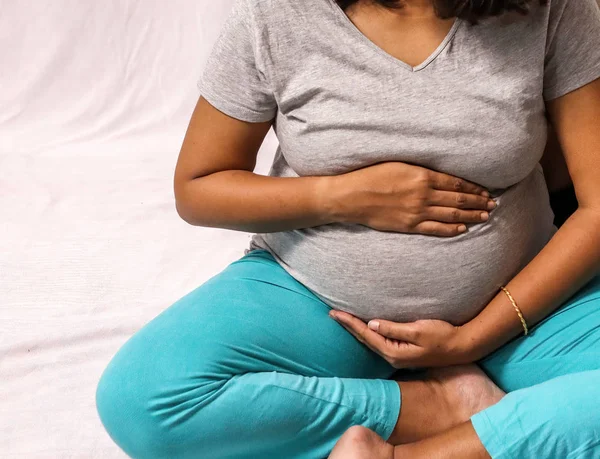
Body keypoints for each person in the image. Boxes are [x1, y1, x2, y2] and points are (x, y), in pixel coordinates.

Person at [95, 0, 600, 457]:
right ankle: (440, 404)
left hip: (523, 309)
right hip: (317, 302)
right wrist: (346, 197)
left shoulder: (554, 10)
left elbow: (597, 208)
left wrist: (471, 340)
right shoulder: (276, 17)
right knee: (143, 399)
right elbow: (198, 188)